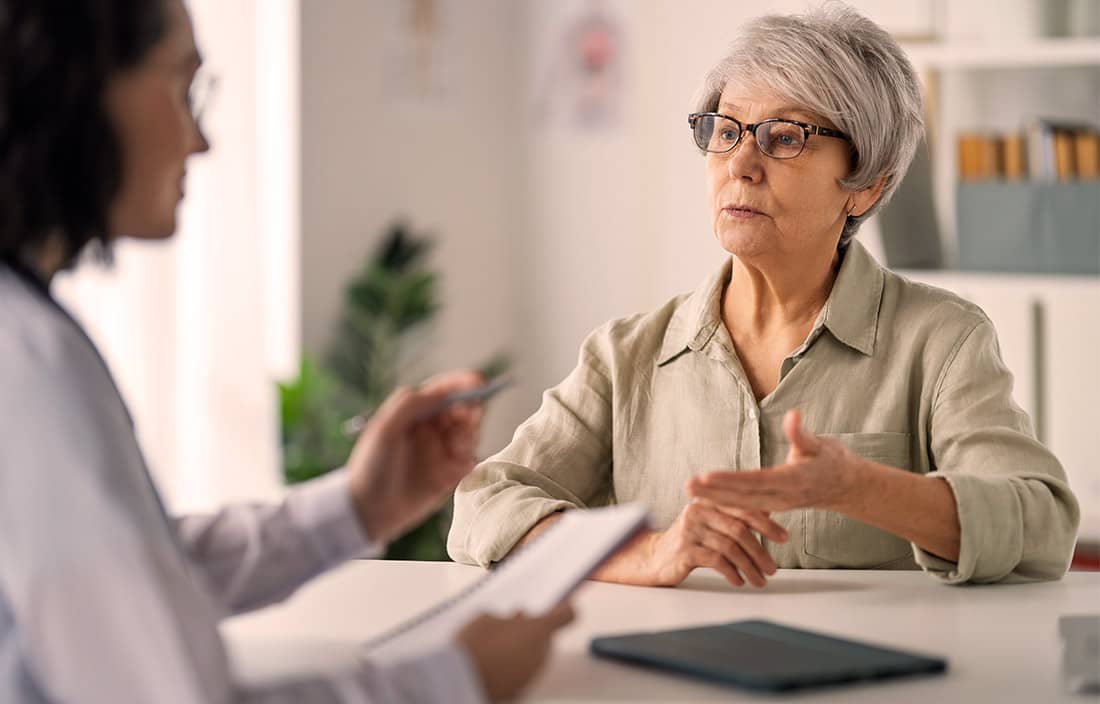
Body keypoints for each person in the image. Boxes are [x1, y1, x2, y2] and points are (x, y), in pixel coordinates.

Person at [0, 0, 571, 702]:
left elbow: (122, 586)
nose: (200, 139)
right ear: (74, 85)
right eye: (184, 86)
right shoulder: (29, 364)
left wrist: (357, 506)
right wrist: (455, 678)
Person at [448, 4, 1079, 588]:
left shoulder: (942, 339)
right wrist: (647, 552)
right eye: (726, 131)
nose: (741, 164)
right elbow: (484, 505)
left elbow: (1042, 526)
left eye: (784, 138)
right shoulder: (625, 355)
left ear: (864, 186)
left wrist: (862, 489)